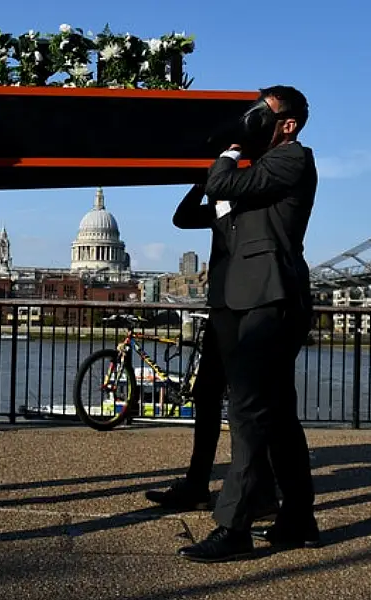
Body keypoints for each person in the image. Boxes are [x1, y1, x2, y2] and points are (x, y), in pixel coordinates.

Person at [177, 85, 321, 563]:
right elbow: (195, 209)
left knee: (247, 410)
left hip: (272, 297)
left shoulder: (292, 159)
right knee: (277, 416)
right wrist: (225, 162)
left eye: (263, 113)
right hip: (246, 299)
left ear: (288, 124)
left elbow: (223, 184)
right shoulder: (255, 174)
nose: (253, 119)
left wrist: (230, 149)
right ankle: (298, 519)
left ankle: (234, 528)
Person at [144, 183, 279, 520]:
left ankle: (256, 490)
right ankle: (198, 483)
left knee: (243, 403)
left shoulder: (254, 208)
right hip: (221, 308)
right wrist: (203, 185)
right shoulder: (223, 211)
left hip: (242, 308)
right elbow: (182, 217)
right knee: (207, 395)